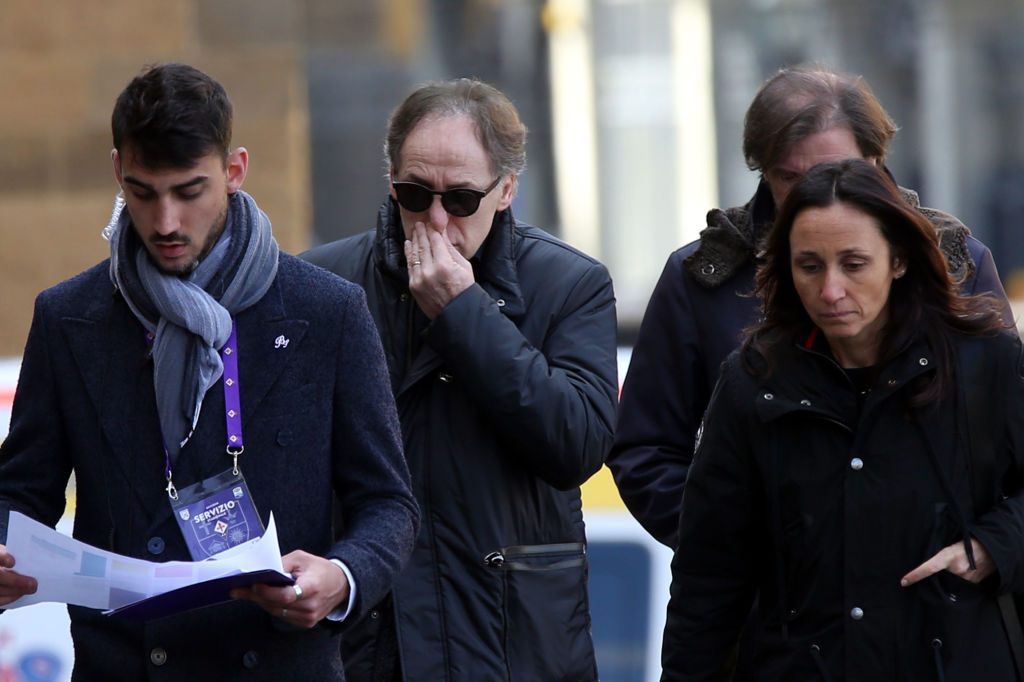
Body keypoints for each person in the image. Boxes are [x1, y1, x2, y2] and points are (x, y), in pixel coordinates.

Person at [0, 63, 419, 679]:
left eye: (189, 191)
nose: (166, 222)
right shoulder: (70, 318)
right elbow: (22, 490)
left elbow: (388, 502)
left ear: (234, 170)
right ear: (118, 171)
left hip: (277, 660)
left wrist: (343, 575)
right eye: (143, 193)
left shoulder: (325, 311)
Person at [609, 64, 1014, 551]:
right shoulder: (703, 278)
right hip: (778, 608)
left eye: (835, 171)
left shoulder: (956, 263)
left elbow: (1008, 444)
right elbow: (646, 451)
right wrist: (735, 554)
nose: (813, 194)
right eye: (788, 177)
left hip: (931, 595)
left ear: (877, 160)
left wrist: (986, 551)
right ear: (764, 173)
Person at [302, 78, 618, 681]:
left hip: (511, 637)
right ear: (390, 182)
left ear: (506, 192)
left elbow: (576, 442)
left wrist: (464, 314)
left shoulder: (570, 284)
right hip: (370, 635)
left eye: (462, 200)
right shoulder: (325, 283)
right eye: (415, 194)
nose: (437, 220)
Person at [661, 158, 1024, 681]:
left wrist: (995, 546)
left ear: (898, 260)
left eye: (854, 264)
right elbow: (708, 578)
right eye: (810, 266)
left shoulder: (985, 364)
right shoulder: (752, 384)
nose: (831, 291)